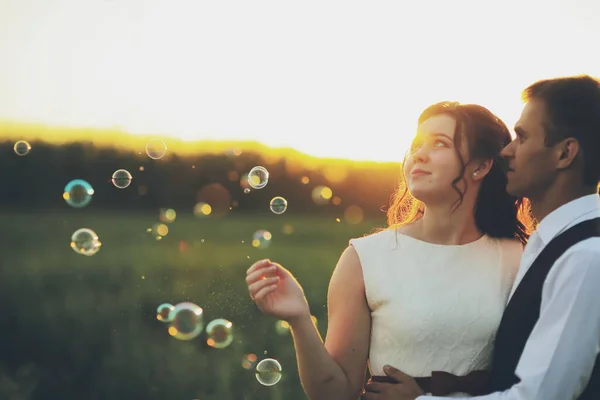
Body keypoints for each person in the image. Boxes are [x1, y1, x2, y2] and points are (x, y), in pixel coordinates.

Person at [245, 101, 533, 399]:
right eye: (416, 144)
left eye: (439, 143)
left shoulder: (518, 258)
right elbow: (337, 393)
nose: (419, 154)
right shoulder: (365, 258)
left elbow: (540, 382)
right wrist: (299, 318)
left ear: (481, 166)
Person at [367, 75, 600, 400]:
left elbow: (541, 395)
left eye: (522, 137)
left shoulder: (586, 256)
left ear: (565, 154)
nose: (506, 151)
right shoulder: (546, 244)